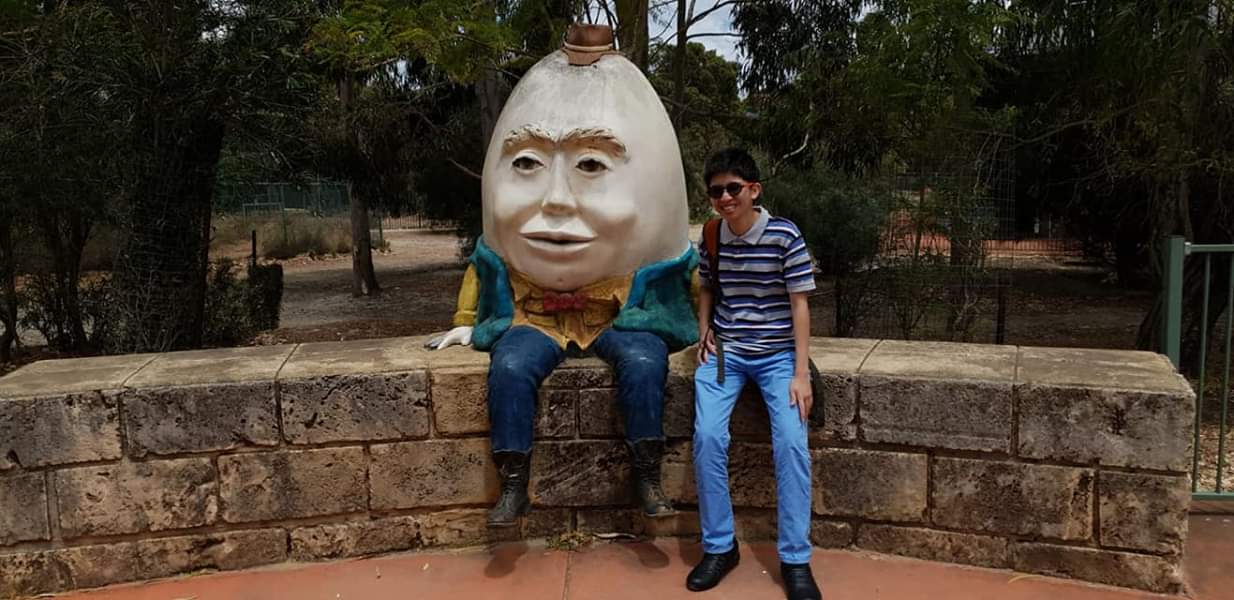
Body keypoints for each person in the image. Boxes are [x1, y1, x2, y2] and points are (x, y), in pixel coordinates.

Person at [428, 24, 698, 528]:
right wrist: (466, 321)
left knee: (644, 363)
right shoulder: (503, 265)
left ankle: (647, 474)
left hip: (623, 313)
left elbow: (695, 278)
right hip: (534, 314)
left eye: (591, 166)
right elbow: (485, 263)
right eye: (527, 163)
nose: (554, 200)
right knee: (510, 368)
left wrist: (730, 328)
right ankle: (513, 484)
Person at [686, 148, 822, 600]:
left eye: (733, 188)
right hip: (726, 352)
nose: (725, 198)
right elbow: (707, 287)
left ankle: (795, 558)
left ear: (754, 190)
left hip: (778, 355)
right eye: (716, 191)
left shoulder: (784, 235)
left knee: (791, 442)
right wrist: (704, 332)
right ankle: (720, 547)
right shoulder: (712, 235)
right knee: (708, 437)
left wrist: (801, 374)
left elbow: (800, 304)